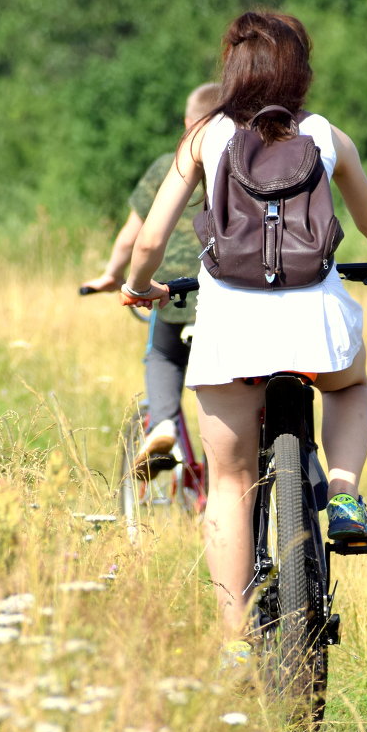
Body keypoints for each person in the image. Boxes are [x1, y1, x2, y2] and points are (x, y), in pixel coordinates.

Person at [120, 11, 367, 640]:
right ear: (300, 70)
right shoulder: (325, 135)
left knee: (230, 483)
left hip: (231, 324)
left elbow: (150, 238)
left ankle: (234, 643)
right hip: (314, 316)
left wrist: (137, 287)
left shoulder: (203, 136)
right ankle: (342, 492)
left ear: (231, 68)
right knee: (348, 385)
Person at [82, 83, 222, 476]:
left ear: (187, 122)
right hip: (233, 288)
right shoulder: (245, 158)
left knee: (162, 354)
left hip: (172, 294)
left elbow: (132, 236)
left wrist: (112, 276)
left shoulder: (170, 163)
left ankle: (162, 424)